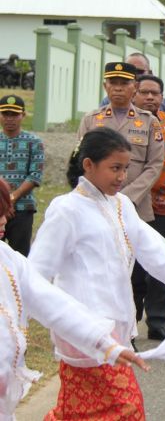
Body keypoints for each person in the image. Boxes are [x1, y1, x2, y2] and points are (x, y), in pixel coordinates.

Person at [29, 128, 165, 420]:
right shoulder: (66, 210)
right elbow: (35, 276)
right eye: (115, 168)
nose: (122, 176)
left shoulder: (121, 205)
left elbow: (155, 251)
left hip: (117, 329)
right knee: (126, 409)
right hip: (84, 331)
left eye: (125, 168)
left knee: (78, 411)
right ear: (88, 165)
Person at [0, 178, 148, 420]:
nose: (5, 220)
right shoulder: (66, 209)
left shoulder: (8, 259)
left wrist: (105, 344)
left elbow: (51, 301)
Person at [131, 74, 165, 340]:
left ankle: (158, 321)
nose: (150, 97)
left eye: (155, 93)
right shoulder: (126, 124)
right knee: (131, 267)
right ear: (134, 94)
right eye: (144, 92)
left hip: (164, 205)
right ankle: (129, 321)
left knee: (161, 265)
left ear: (162, 97)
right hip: (130, 207)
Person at [78, 62, 164, 225]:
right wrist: (99, 196)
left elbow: (155, 165)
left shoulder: (149, 122)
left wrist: (126, 198)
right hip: (96, 204)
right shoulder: (91, 120)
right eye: (113, 83)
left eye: (124, 83)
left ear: (135, 86)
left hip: (135, 207)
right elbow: (81, 162)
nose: (118, 88)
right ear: (105, 86)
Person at [0, 95, 44, 255]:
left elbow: (35, 175)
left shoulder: (34, 142)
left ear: (23, 115)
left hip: (23, 208)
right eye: (5, 114)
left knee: (20, 256)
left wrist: (10, 199)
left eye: (14, 114)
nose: (9, 119)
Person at [99, 52, 165, 114]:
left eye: (139, 72)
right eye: (129, 73)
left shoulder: (164, 105)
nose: (134, 76)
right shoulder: (108, 101)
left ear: (150, 72)